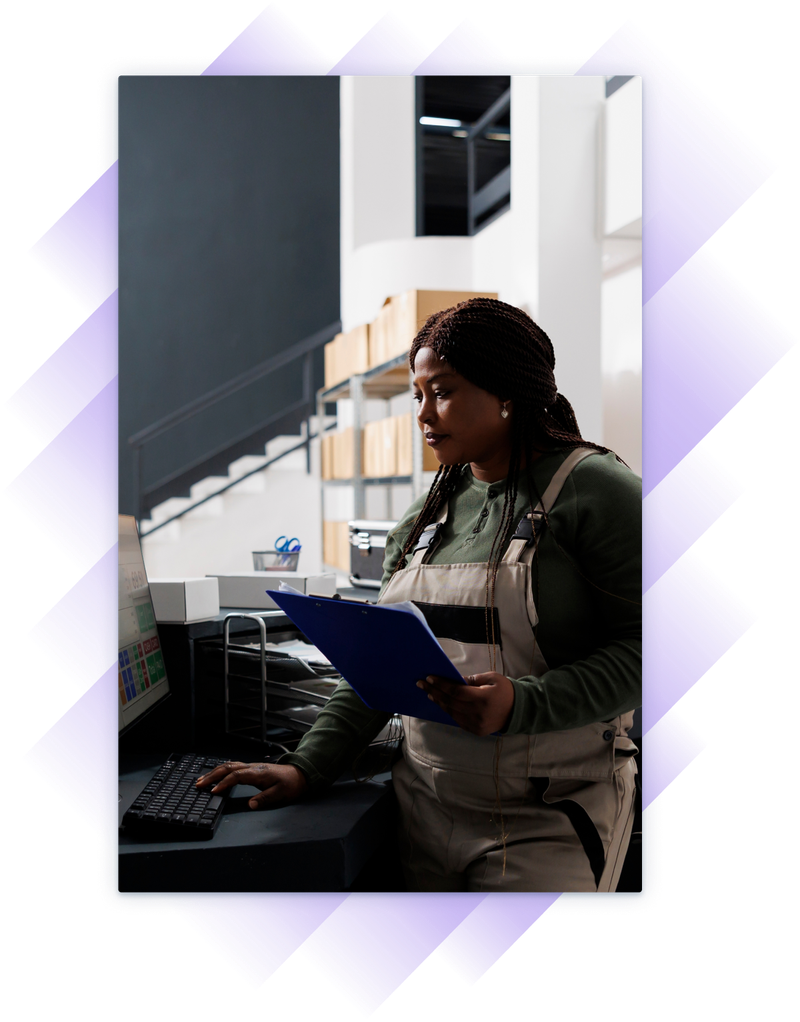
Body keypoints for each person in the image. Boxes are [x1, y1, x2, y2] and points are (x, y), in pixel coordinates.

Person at [197, 298, 642, 893]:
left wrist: (523, 704)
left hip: (549, 817)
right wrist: (306, 765)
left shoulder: (598, 492)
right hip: (423, 810)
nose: (423, 414)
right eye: (417, 395)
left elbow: (656, 648)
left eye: (444, 391)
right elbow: (379, 670)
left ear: (507, 392)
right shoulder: (423, 519)